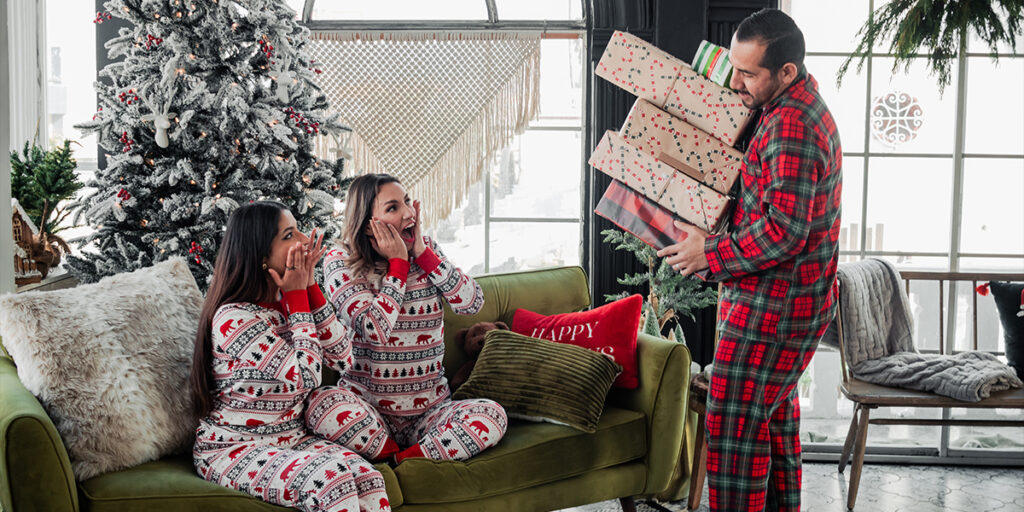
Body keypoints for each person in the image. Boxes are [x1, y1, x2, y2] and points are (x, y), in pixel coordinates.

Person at [656, 9, 842, 512]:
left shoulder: (793, 127)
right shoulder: (789, 102)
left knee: (734, 431)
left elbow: (784, 232)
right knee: (770, 425)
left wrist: (707, 251)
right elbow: (770, 209)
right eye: (734, 67)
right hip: (782, 302)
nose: (735, 81)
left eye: (748, 73)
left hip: (775, 310)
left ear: (786, 72)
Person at [190, 201, 392, 512]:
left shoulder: (290, 303)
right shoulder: (233, 318)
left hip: (290, 438)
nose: (304, 239)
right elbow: (307, 378)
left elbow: (342, 358)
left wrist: (310, 288)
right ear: (260, 256)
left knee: (368, 477)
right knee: (332, 479)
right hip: (233, 447)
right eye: (289, 235)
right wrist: (297, 298)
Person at [324, 173, 507, 464]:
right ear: (367, 223)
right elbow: (374, 329)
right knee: (323, 405)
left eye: (407, 201)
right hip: (368, 413)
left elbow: (472, 303)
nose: (410, 213)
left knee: (492, 414)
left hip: (430, 411)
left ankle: (404, 460)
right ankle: (387, 448)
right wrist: (398, 264)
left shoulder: (427, 251)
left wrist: (421, 253)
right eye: (393, 207)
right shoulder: (340, 259)